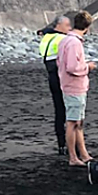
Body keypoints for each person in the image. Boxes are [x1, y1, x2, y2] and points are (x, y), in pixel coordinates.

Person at [57, 10, 95, 166]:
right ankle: (73, 157)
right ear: (87, 27)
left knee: (78, 122)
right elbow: (73, 67)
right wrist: (88, 67)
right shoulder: (74, 43)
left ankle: (84, 154)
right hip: (74, 86)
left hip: (70, 85)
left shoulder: (66, 40)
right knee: (73, 122)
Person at [37, 14, 72, 156]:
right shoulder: (62, 39)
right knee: (70, 111)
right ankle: (71, 143)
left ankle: (61, 144)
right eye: (67, 25)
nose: (69, 28)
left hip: (51, 76)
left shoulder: (46, 37)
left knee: (59, 111)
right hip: (62, 76)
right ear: (59, 25)